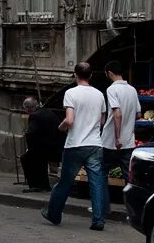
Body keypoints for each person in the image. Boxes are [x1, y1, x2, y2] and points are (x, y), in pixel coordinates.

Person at [41, 61, 108, 231]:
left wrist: (61, 127)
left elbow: (69, 120)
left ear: (75, 75)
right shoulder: (100, 95)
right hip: (95, 144)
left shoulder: (71, 93)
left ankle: (54, 214)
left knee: (65, 182)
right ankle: (98, 219)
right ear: (91, 75)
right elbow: (101, 121)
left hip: (75, 144)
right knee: (97, 182)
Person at [102, 60, 141, 191]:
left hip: (110, 141)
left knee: (101, 173)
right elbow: (138, 114)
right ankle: (130, 208)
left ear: (109, 73)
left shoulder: (112, 89)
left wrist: (117, 137)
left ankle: (102, 207)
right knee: (128, 176)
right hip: (128, 141)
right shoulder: (132, 90)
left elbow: (117, 113)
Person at [19, 97, 65, 192]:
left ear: (28, 108)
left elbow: (32, 134)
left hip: (48, 148)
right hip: (58, 146)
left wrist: (29, 145)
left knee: (26, 158)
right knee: (36, 156)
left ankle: (36, 184)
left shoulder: (35, 116)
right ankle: (43, 184)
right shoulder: (48, 112)